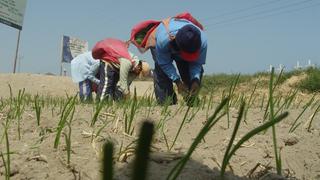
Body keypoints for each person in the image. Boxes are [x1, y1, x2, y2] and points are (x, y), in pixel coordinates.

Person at [130, 12, 207, 106]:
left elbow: (196, 63)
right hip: (161, 39)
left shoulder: (202, 41)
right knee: (162, 73)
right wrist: (177, 82)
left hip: (178, 41)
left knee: (189, 75)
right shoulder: (163, 40)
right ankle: (167, 104)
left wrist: (196, 80)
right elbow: (165, 63)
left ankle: (192, 102)